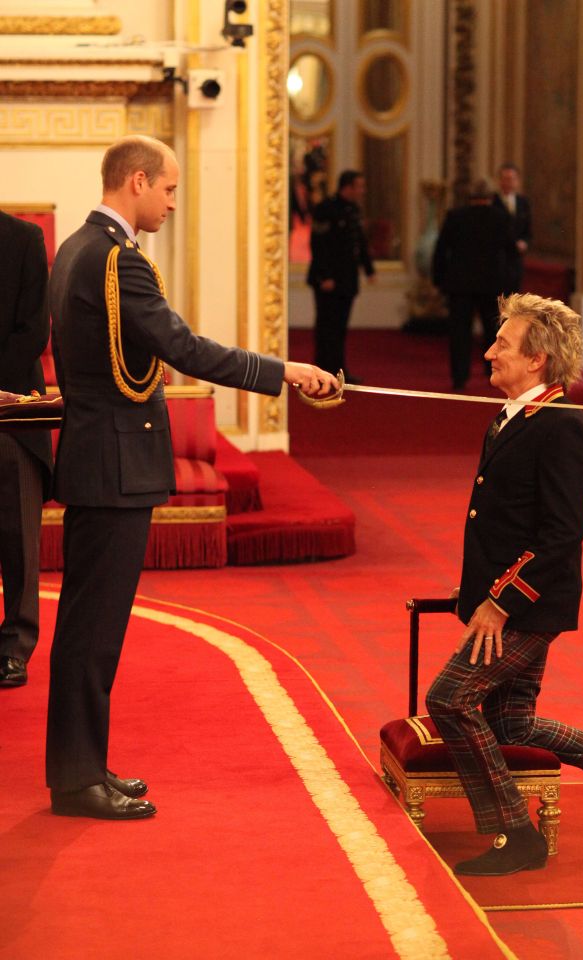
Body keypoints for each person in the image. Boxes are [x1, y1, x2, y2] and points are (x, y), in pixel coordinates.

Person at [46, 135, 338, 820]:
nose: (174, 202)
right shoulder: (118, 262)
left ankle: (83, 768)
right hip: (112, 466)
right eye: (170, 189)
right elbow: (181, 347)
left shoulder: (76, 250)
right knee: (93, 633)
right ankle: (76, 779)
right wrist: (282, 371)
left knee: (91, 631)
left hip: (101, 460)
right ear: (138, 181)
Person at [425, 293, 583, 876]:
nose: (489, 350)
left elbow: (561, 534)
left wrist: (497, 602)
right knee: (511, 723)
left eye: (503, 344)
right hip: (503, 603)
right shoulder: (514, 416)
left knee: (449, 698)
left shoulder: (565, 427)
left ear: (537, 359)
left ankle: (515, 832)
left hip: (527, 607)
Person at [0, 210, 53, 688]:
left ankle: (15, 647)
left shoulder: (24, 238)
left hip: (12, 415)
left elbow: (34, 329)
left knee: (18, 538)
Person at [431, 178, 515, 389]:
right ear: (491, 197)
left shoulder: (456, 217)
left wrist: (438, 280)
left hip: (460, 284)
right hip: (492, 284)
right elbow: (511, 251)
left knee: (459, 332)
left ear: (470, 197)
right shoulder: (501, 218)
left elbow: (441, 250)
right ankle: (492, 372)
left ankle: (459, 377)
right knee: (493, 331)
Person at [306, 169, 375, 379]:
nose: (362, 191)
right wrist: (325, 276)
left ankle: (337, 370)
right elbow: (318, 244)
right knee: (326, 326)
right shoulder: (325, 209)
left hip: (346, 279)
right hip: (327, 280)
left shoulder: (353, 209)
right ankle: (322, 370)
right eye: (359, 186)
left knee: (340, 328)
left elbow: (359, 241)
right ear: (348, 187)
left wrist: (369, 268)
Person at [492, 163, 532, 294]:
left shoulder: (523, 202)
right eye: (505, 179)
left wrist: (525, 242)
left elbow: (528, 230)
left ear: (518, 181)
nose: (508, 182)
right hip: (497, 260)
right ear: (499, 181)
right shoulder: (493, 202)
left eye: (512, 179)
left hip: (516, 261)